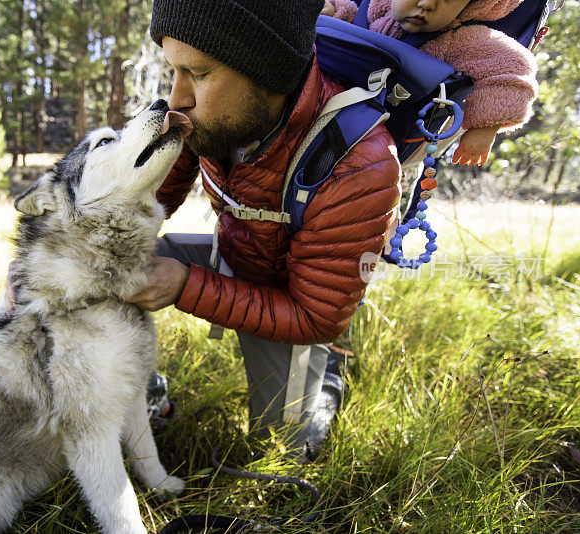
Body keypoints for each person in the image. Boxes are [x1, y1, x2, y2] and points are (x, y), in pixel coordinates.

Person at [123, 0, 402, 459]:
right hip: (236, 255)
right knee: (108, 271)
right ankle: (133, 388)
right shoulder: (206, 116)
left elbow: (317, 317)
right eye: (172, 71)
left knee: (285, 453)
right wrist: (54, 263)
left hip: (295, 300)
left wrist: (184, 285)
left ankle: (328, 377)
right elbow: (143, 199)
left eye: (198, 73)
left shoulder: (359, 163)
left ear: (267, 71)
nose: (176, 100)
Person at [323, 0, 539, 166]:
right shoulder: (376, 5)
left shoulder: (461, 39)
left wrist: (484, 128)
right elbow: (354, 16)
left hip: (387, 145)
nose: (426, 4)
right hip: (327, 114)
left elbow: (513, 65)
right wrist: (335, 12)